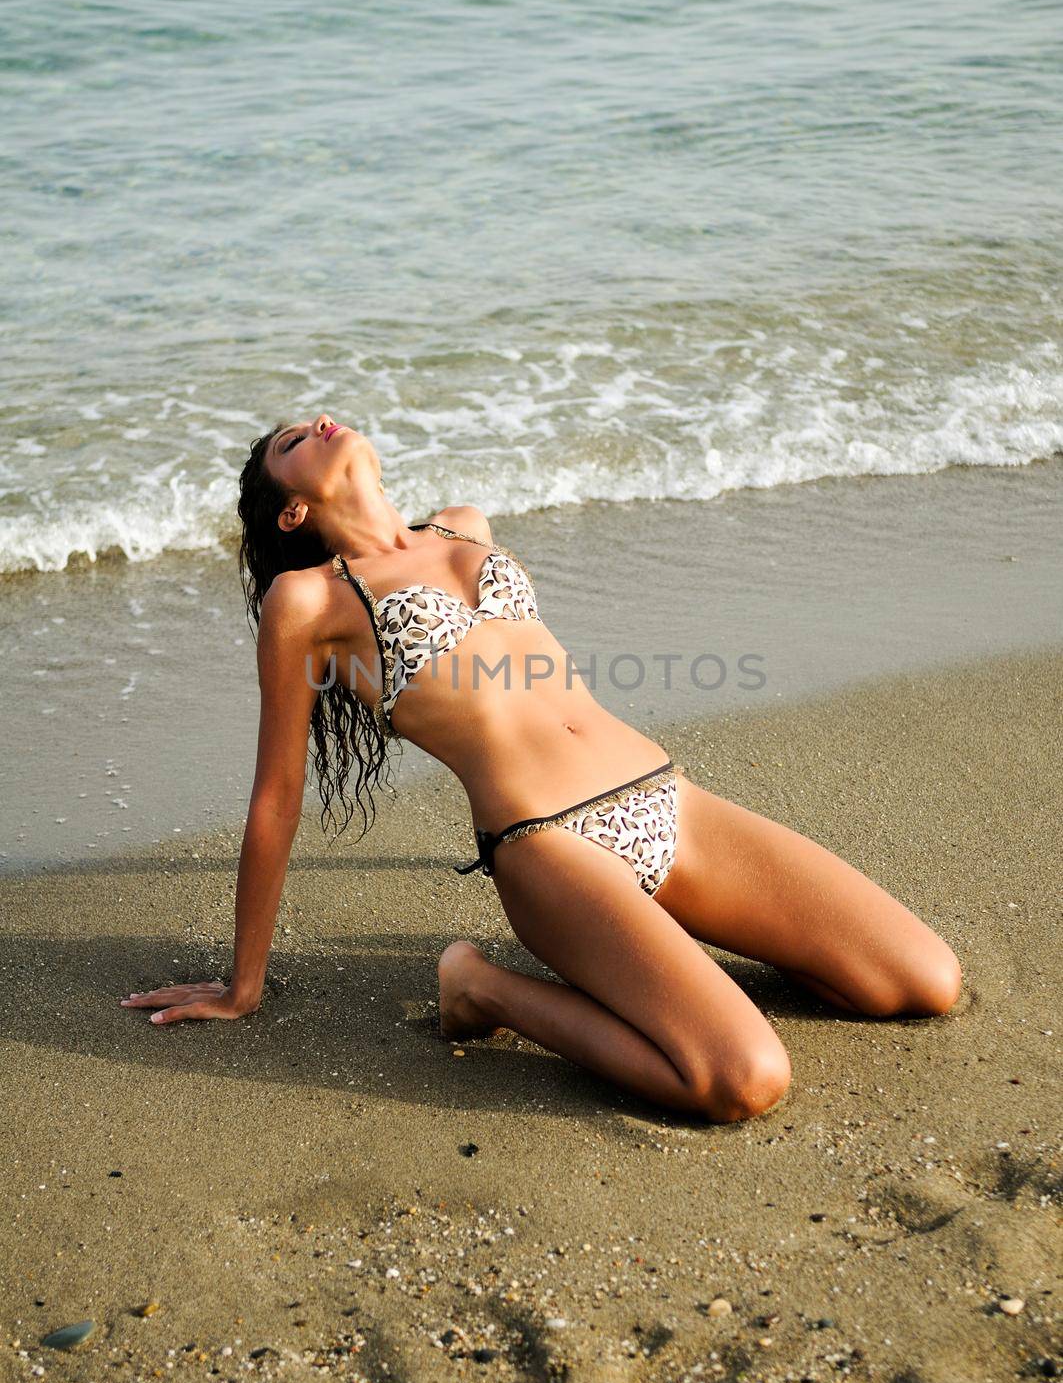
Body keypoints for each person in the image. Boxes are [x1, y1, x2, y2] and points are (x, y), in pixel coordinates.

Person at [121, 413, 963, 1121]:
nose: (317, 423)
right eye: (291, 443)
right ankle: (482, 986)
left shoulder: (464, 525)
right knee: (744, 1080)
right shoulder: (308, 603)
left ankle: (670, 959)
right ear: (291, 512)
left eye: (316, 417)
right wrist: (243, 984)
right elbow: (277, 797)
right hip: (551, 846)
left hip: (666, 799)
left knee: (923, 981)